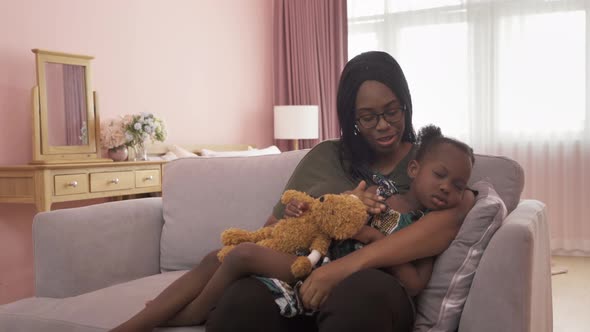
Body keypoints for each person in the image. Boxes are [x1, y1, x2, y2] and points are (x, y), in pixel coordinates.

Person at [204, 51, 476, 332]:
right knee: (243, 302)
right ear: (351, 119)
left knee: (360, 299)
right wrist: (330, 209)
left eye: (393, 111)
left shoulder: (431, 162)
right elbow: (275, 229)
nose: (383, 125)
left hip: (375, 288)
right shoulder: (325, 156)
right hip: (299, 277)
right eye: (368, 117)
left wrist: (342, 268)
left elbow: (453, 214)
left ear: (406, 105)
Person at [110, 123, 475, 332]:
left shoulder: (427, 225)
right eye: (440, 176)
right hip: (312, 261)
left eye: (457, 185)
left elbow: (413, 283)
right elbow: (333, 218)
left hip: (325, 272)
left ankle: (194, 313)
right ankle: (144, 318)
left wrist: (373, 239)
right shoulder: (382, 194)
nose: (447, 188)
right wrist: (308, 210)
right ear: (414, 170)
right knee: (215, 257)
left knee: (242, 254)